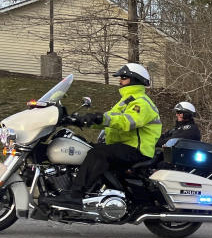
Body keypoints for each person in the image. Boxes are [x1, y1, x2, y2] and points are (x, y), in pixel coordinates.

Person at [48, 63, 162, 209]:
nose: (120, 81)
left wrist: (99, 118)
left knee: (98, 153)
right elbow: (108, 119)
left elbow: (126, 121)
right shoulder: (125, 101)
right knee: (83, 145)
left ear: (135, 80)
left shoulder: (141, 103)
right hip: (122, 146)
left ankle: (75, 195)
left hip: (136, 149)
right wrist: (81, 120)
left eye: (124, 77)